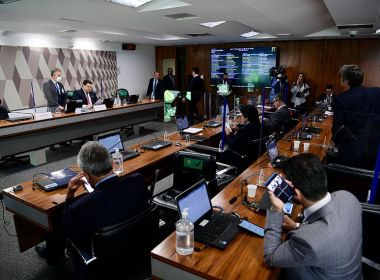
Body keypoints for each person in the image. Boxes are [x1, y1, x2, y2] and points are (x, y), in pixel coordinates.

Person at [35, 141, 150, 268]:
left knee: (54, 227)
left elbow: (67, 228)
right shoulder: (137, 180)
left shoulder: (81, 207)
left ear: (85, 175)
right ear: (112, 162)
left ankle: (53, 257)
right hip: (138, 248)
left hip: (106, 264)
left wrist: (69, 196)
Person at [264, 153, 362, 280]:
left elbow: (271, 256)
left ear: (297, 193)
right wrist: (296, 226)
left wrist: (276, 210)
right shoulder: (348, 197)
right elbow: (330, 231)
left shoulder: (309, 242)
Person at [332, 64, 380, 168]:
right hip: (374, 151)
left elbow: (337, 129)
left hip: (351, 154)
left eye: (341, 78)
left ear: (346, 81)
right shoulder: (376, 92)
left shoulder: (341, 99)